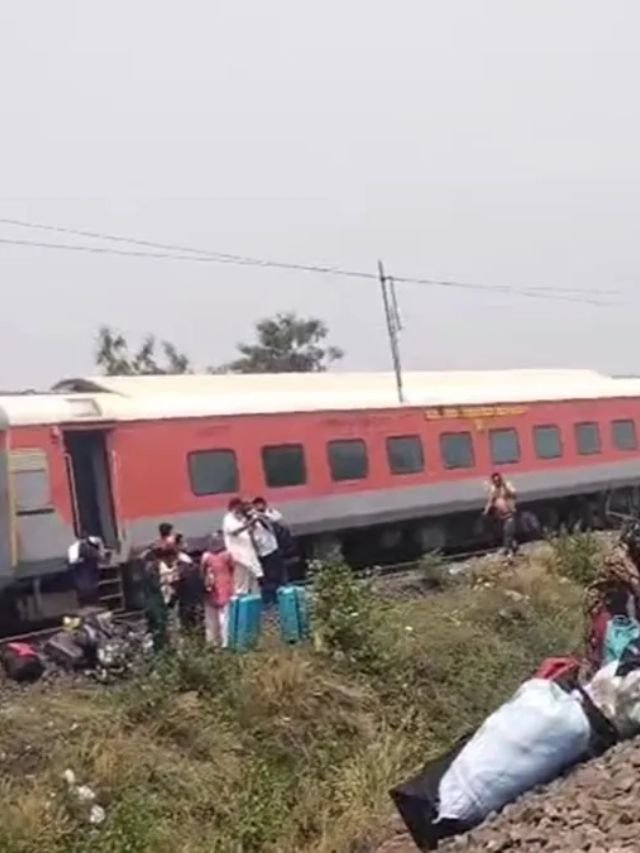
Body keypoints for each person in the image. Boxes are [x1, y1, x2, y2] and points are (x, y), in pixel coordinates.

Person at [584, 522, 640, 673]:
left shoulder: (632, 554)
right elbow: (636, 584)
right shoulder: (618, 558)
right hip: (602, 607)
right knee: (606, 651)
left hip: (621, 602)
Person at [222, 497, 264, 595]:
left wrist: (252, 524)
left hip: (248, 555)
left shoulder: (240, 518)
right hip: (239, 557)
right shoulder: (228, 519)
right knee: (242, 584)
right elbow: (234, 531)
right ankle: (242, 605)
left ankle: (256, 602)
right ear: (235, 507)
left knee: (253, 581)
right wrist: (249, 523)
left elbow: (248, 532)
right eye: (240, 506)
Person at [251, 497, 286, 605]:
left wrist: (265, 515)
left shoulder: (269, 512)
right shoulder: (252, 517)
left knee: (279, 573)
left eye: (262, 504)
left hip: (273, 547)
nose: (260, 507)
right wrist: (256, 518)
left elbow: (278, 518)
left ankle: (280, 595)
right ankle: (271, 599)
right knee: (269, 576)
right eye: (257, 505)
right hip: (263, 551)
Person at [201, 533, 234, 647]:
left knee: (211, 618)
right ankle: (225, 641)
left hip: (211, 588)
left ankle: (213, 642)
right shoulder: (226, 555)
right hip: (226, 586)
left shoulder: (206, 557)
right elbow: (232, 568)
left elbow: (202, 571)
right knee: (225, 616)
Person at [173, 534, 204, 633]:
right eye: (182, 542)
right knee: (188, 623)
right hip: (186, 596)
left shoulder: (185, 557)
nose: (185, 544)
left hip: (190, 596)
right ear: (177, 545)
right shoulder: (179, 559)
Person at [483, 472, 518, 557]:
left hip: (509, 514)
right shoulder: (493, 489)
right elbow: (491, 500)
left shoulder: (506, 486)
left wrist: (505, 487)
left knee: (507, 532)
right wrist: (486, 511)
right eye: (495, 481)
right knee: (505, 533)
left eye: (498, 480)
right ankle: (512, 548)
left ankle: (509, 551)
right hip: (500, 516)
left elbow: (514, 494)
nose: (497, 482)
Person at [68, 533, 103, 607]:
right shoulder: (88, 549)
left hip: (82, 580)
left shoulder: (77, 548)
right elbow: (99, 557)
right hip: (88, 581)